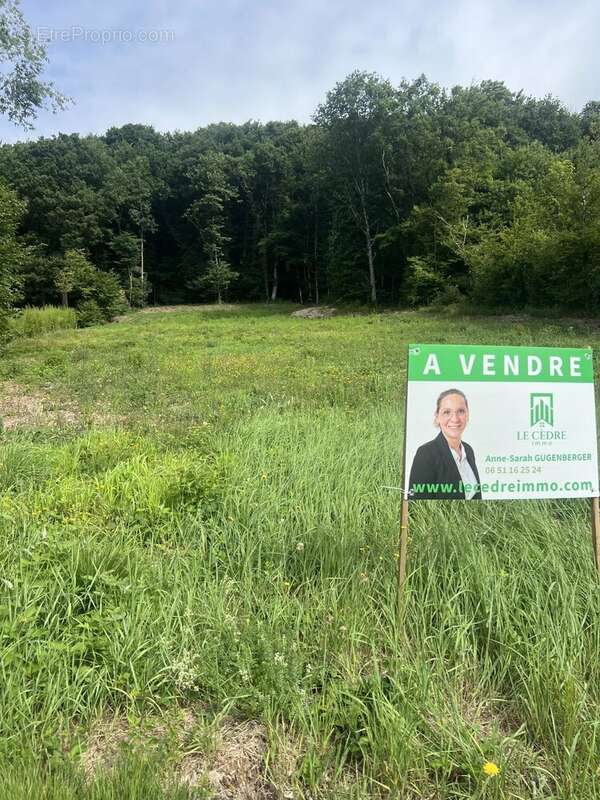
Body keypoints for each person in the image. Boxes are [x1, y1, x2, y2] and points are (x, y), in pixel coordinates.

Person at [408, 388, 481, 500]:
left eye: (460, 411)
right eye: (447, 412)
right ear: (437, 417)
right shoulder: (426, 454)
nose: (455, 418)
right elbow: (416, 504)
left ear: (467, 415)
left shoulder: (468, 450)